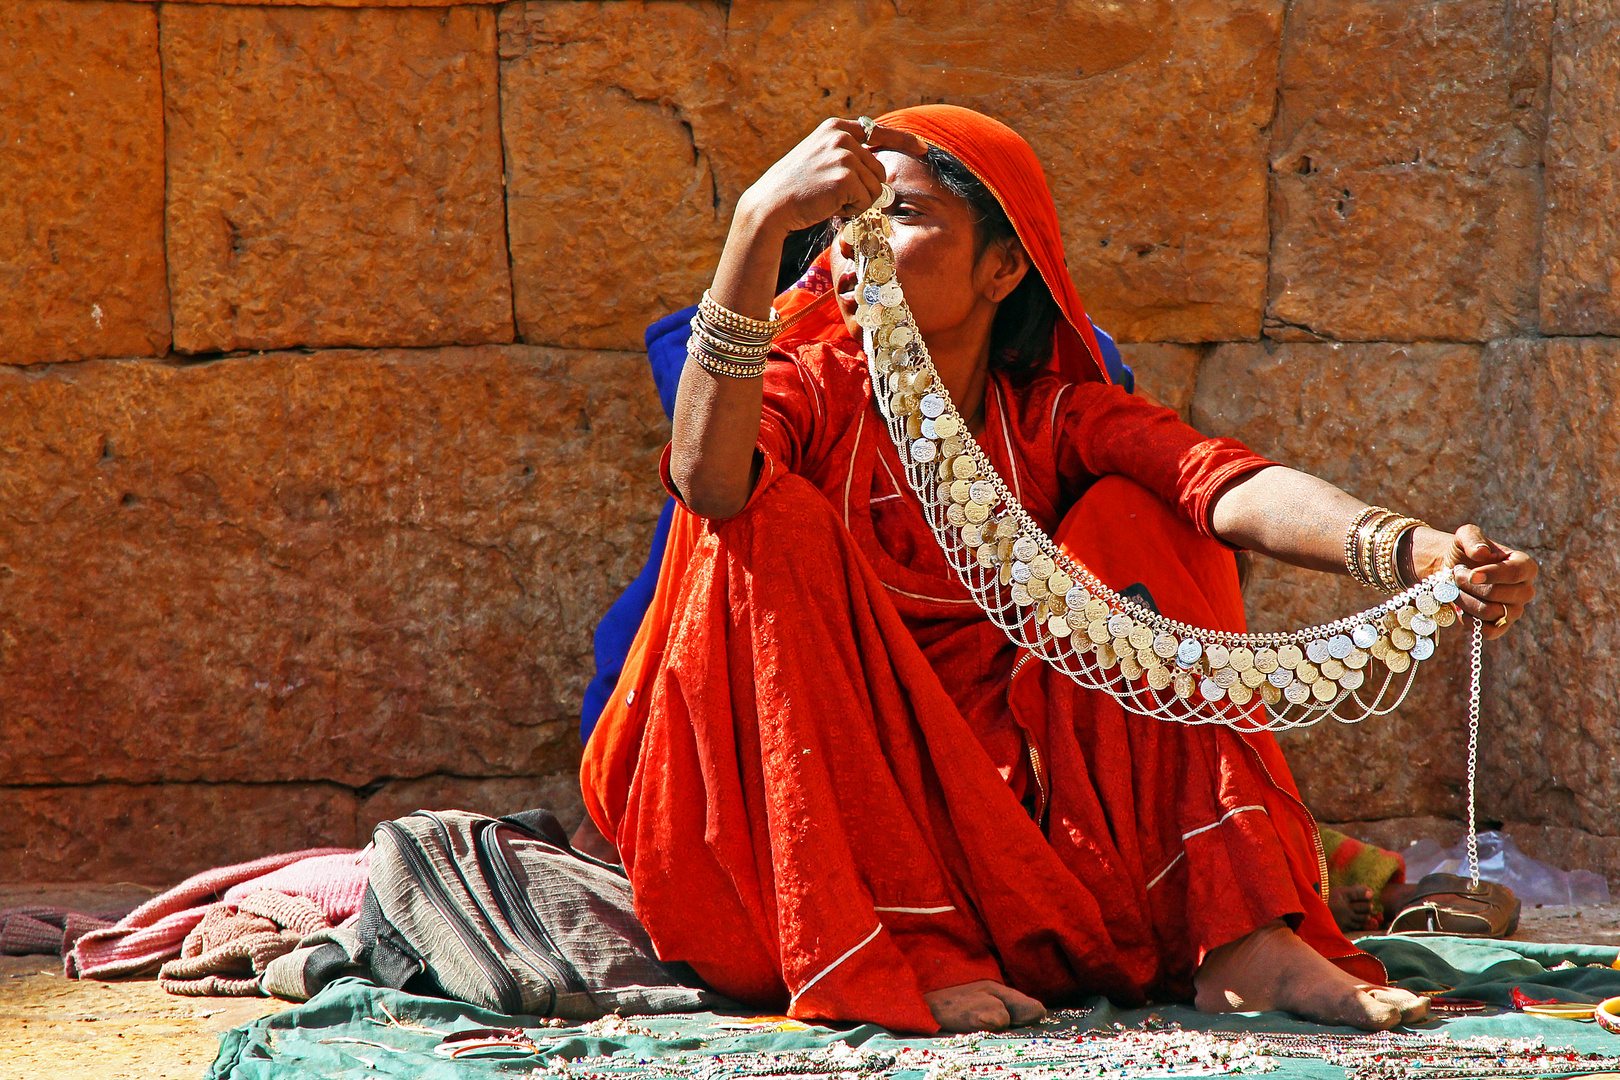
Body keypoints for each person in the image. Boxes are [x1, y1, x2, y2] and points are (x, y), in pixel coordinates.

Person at [577, 105, 1537, 1035]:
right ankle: (887, 952)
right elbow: (707, 482)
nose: (856, 245)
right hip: (791, 783)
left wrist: (1416, 553)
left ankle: (1239, 941)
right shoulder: (815, 386)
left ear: (1002, 267)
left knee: (1141, 521)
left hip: (1001, 794)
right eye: (842, 223)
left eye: (902, 215)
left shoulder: (1045, 417)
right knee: (768, 519)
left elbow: (1223, 484)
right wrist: (753, 226)